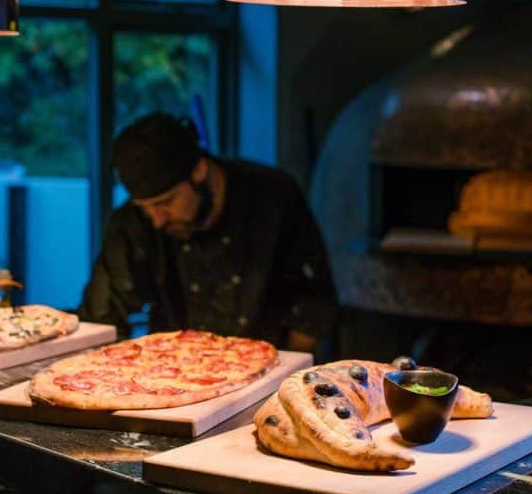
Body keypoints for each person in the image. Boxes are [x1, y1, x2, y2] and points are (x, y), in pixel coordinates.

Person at [78, 113, 338, 353]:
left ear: (199, 171)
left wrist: (287, 377)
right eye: (145, 209)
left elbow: (311, 307)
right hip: (169, 372)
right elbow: (100, 319)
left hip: (265, 365)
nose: (157, 220)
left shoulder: (272, 196)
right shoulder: (134, 222)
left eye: (165, 202)